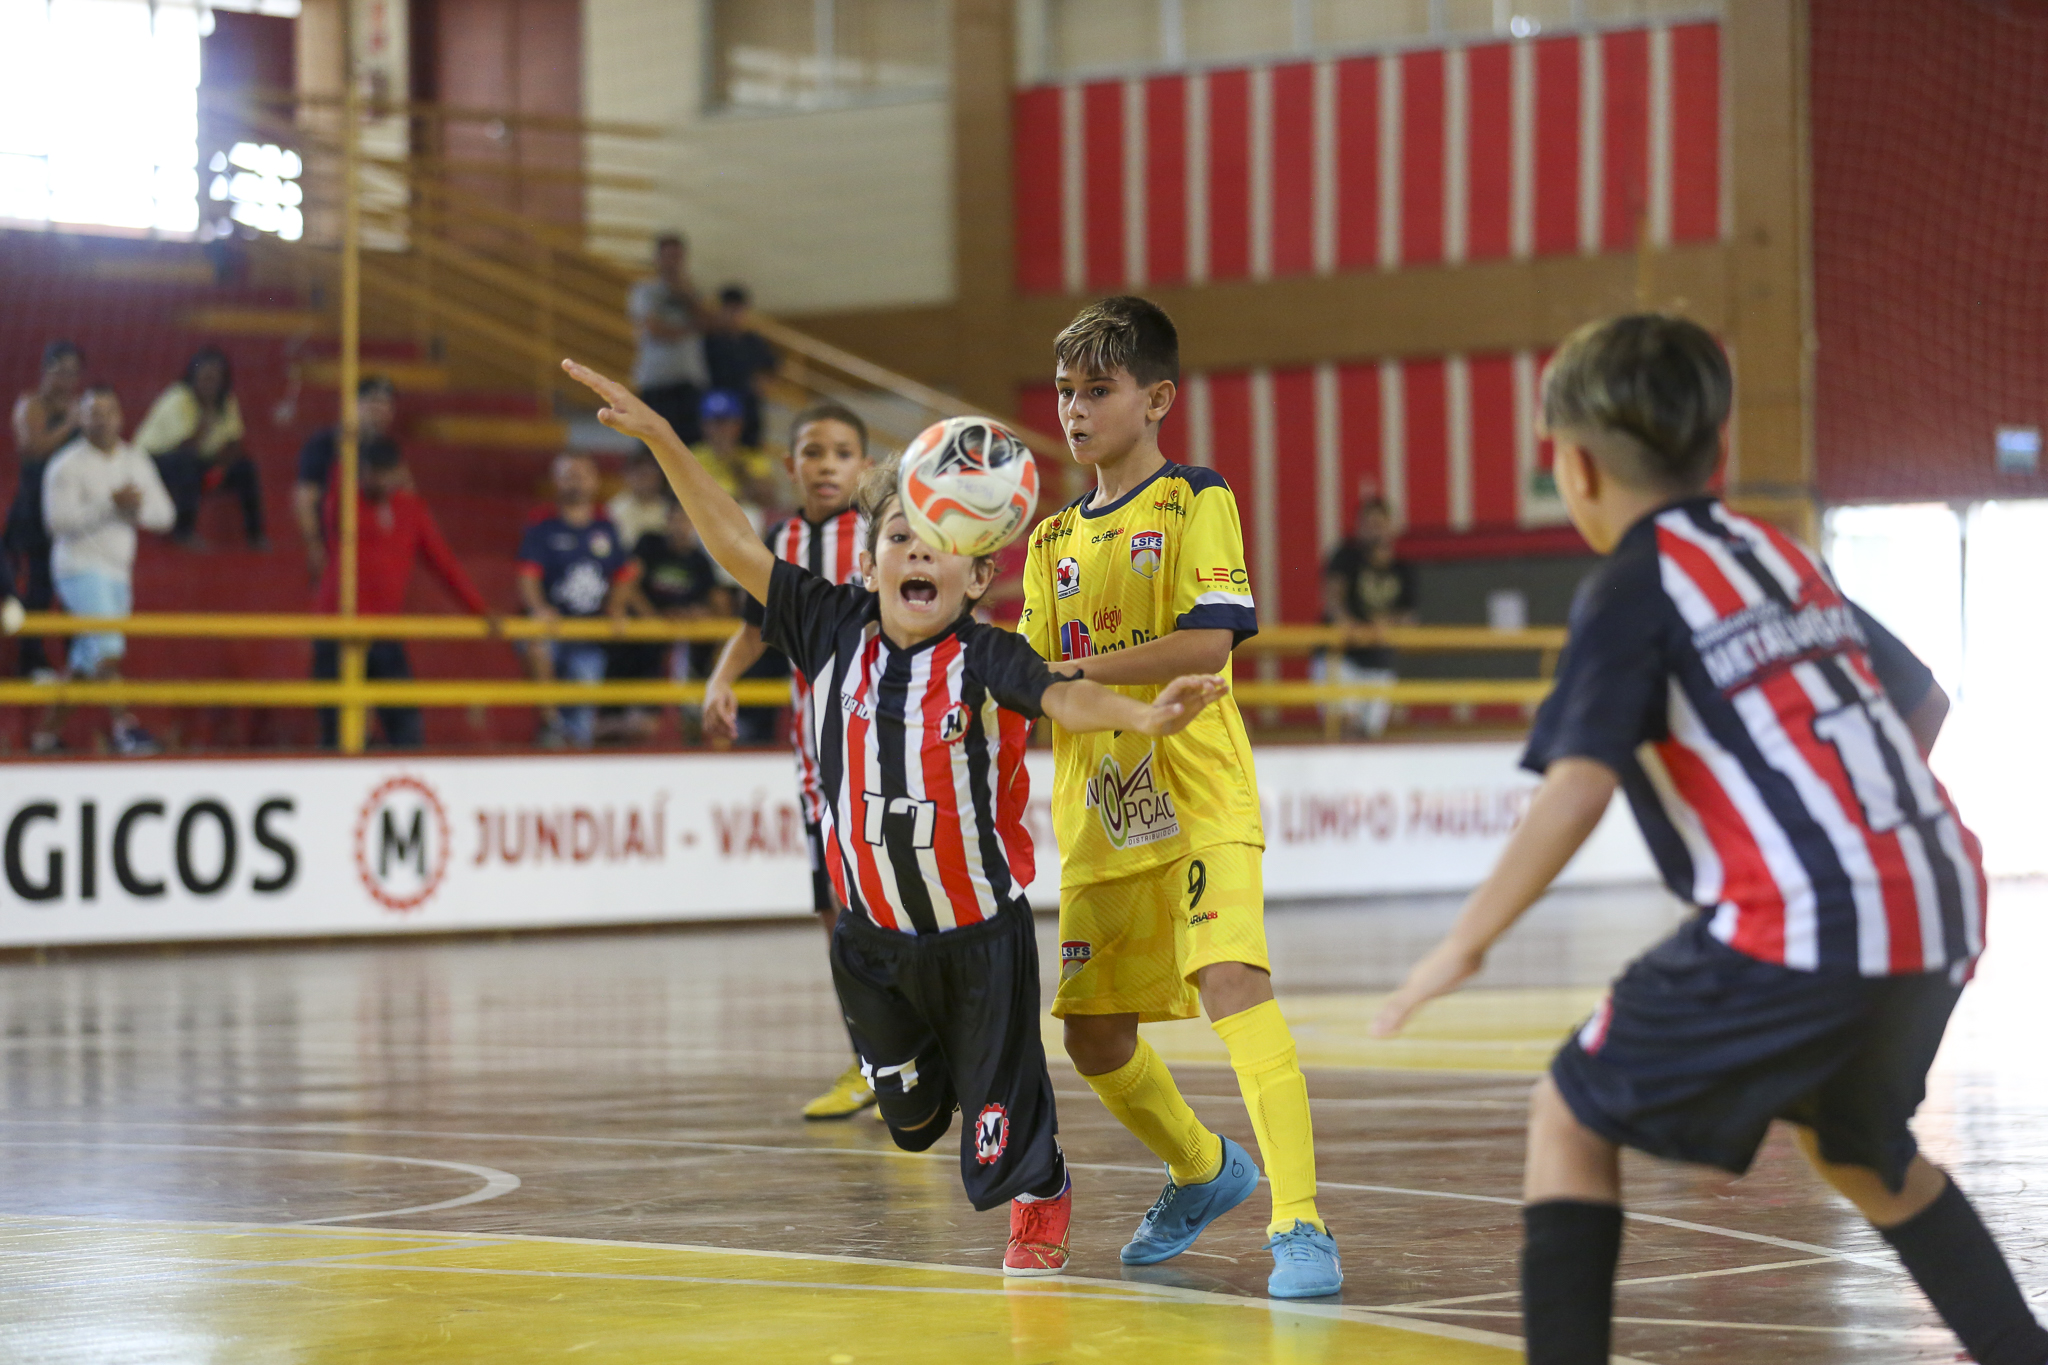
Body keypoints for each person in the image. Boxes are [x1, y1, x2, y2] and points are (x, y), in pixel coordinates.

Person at [1373, 315, 2048, 1365]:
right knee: (1863, 1152)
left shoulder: (1630, 586)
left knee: (1567, 1108)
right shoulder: (1772, 552)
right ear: (1715, 450)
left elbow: (1575, 789)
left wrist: (1458, 944)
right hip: (1941, 891)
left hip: (1814, 913)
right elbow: (1920, 701)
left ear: (1576, 469)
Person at [563, 353, 1231, 1278]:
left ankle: (1040, 1190)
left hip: (980, 939)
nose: (916, 550)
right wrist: (666, 439)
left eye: (937, 539)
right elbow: (733, 545)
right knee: (913, 1127)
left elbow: (1068, 700)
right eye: (896, 536)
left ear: (975, 570)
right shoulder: (828, 624)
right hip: (871, 943)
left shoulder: (989, 656)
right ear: (869, 560)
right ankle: (952, 1088)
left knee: (996, 1153)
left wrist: (1143, 712)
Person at [1018, 296, 1342, 1300]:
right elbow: (1027, 677)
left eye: (1098, 391)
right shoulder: (1045, 540)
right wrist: (1050, 690)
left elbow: (1207, 641)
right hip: (1098, 811)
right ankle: (1204, 1171)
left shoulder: (1196, 498)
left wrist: (1080, 682)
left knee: (1229, 982)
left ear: (1155, 399)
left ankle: (1299, 1225)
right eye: (1065, 393)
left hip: (1197, 789)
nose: (1075, 411)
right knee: (1091, 1035)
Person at [705, 401, 874, 1119]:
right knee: (834, 915)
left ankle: (920, 1051)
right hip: (816, 761)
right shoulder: (781, 538)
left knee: (891, 908)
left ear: (864, 467)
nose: (827, 463)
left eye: (841, 451)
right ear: (790, 465)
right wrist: (720, 678)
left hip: (882, 754)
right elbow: (755, 627)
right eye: (813, 451)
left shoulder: (885, 531)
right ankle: (870, 1059)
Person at [311, 442, 493, 750]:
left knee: (406, 727)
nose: (381, 482)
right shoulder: (345, 503)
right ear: (361, 473)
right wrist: (351, 446)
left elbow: (443, 563)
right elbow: (335, 492)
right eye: (373, 474)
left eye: (388, 474)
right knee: (337, 729)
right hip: (337, 628)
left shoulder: (411, 509)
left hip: (385, 631)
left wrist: (479, 609)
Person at [31, 385, 174, 755]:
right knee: (108, 646)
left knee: (85, 659)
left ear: (121, 416)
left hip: (117, 571)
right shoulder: (66, 464)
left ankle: (45, 737)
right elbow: (56, 522)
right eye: (93, 412)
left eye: (108, 411)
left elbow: (165, 515)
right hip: (78, 568)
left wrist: (134, 509)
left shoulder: (135, 461)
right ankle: (126, 729)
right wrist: (108, 506)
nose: (101, 419)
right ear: (80, 418)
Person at [517, 452, 635, 748]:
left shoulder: (606, 527)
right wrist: (540, 609)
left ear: (595, 481)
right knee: (538, 645)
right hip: (554, 625)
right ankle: (550, 721)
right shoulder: (543, 525)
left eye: (582, 474)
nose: (576, 481)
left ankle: (576, 742)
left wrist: (617, 607)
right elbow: (527, 575)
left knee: (583, 706)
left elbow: (623, 574)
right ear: (556, 481)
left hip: (590, 631)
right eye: (569, 475)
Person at [7, 340, 86, 679]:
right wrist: (70, 424)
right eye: (59, 371)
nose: (65, 380)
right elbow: (32, 448)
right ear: (45, 370)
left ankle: (79, 661)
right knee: (38, 588)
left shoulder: (81, 410)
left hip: (69, 512)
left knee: (73, 589)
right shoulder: (31, 405)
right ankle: (30, 661)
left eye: (73, 373)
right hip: (33, 512)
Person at [136, 346, 266, 549]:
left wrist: (220, 468)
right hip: (153, 464)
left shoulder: (226, 400)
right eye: (205, 377)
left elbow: (234, 442)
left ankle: (256, 535)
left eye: (215, 378)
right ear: (193, 376)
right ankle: (183, 532)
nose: (210, 383)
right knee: (188, 464)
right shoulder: (177, 398)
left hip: (198, 463)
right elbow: (186, 447)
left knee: (245, 467)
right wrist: (205, 417)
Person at [621, 499, 729, 741]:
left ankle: (691, 718)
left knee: (699, 659)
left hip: (685, 646)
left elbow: (718, 604)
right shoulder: (649, 544)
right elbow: (627, 583)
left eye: (688, 520)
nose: (681, 526)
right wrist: (654, 619)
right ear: (666, 521)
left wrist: (700, 615)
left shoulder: (700, 560)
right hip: (645, 642)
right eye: (676, 519)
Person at [1314, 495, 1416, 737]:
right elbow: (1333, 598)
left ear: (1391, 526)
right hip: (1340, 657)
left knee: (1370, 736)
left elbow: (1408, 616)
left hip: (1379, 661)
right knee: (1345, 729)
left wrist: (1384, 626)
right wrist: (1349, 625)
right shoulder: (1345, 557)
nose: (1374, 530)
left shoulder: (1402, 569)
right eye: (1368, 524)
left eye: (1379, 523)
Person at [295, 376, 402, 584]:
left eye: (387, 403)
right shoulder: (325, 443)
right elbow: (305, 498)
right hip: (335, 545)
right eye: (373, 401)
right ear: (352, 404)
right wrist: (315, 546)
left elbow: (404, 498)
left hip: (373, 550)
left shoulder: (388, 450)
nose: (380, 409)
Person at [629, 232, 708, 448]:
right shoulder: (644, 291)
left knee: (691, 447)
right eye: (668, 256)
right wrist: (690, 328)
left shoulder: (693, 291)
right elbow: (654, 328)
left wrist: (685, 294)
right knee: (654, 445)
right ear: (657, 259)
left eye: (678, 257)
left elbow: (707, 322)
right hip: (655, 380)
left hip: (689, 379)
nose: (673, 262)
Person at [703, 284, 778, 449]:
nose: (733, 315)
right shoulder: (709, 341)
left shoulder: (754, 342)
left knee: (750, 455)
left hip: (748, 409)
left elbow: (770, 370)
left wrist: (762, 385)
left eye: (737, 310)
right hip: (718, 411)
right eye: (728, 310)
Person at [693, 388, 781, 518]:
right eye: (714, 422)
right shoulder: (690, 456)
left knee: (751, 515)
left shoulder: (753, 457)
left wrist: (738, 467)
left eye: (725, 422)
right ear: (703, 425)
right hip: (704, 517)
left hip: (744, 518)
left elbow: (769, 500)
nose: (720, 429)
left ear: (738, 424)